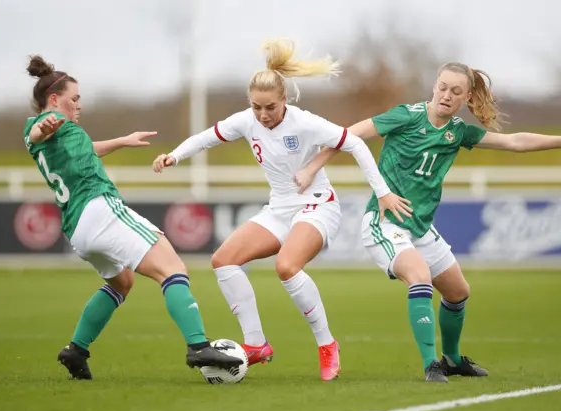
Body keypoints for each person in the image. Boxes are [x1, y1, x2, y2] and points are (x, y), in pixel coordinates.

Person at [295, 61, 561, 382]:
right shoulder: (406, 116)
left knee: (457, 292)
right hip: (384, 223)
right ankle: (430, 364)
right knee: (419, 277)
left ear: (465, 98)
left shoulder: (458, 133)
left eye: (456, 91)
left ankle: (451, 359)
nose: (446, 95)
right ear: (434, 86)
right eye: (442, 87)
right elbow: (350, 135)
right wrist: (312, 167)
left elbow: (514, 142)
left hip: (421, 228)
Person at [153, 38, 412, 381]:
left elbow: (355, 143)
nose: (263, 114)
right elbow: (206, 137)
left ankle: (326, 345)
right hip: (279, 209)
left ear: (284, 100)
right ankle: (256, 344)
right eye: (257, 107)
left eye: (270, 107)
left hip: (318, 207)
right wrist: (174, 156)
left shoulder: (304, 122)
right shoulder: (247, 121)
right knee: (223, 260)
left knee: (286, 266)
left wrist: (382, 192)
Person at [23, 55, 243, 380]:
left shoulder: (56, 134)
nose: (78, 105)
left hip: (78, 228)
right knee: (172, 268)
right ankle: (198, 346)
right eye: (74, 99)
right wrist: (45, 125)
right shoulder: (47, 125)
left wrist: (122, 142)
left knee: (122, 281)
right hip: (99, 209)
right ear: (54, 100)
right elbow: (40, 130)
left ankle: (76, 350)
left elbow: (75, 146)